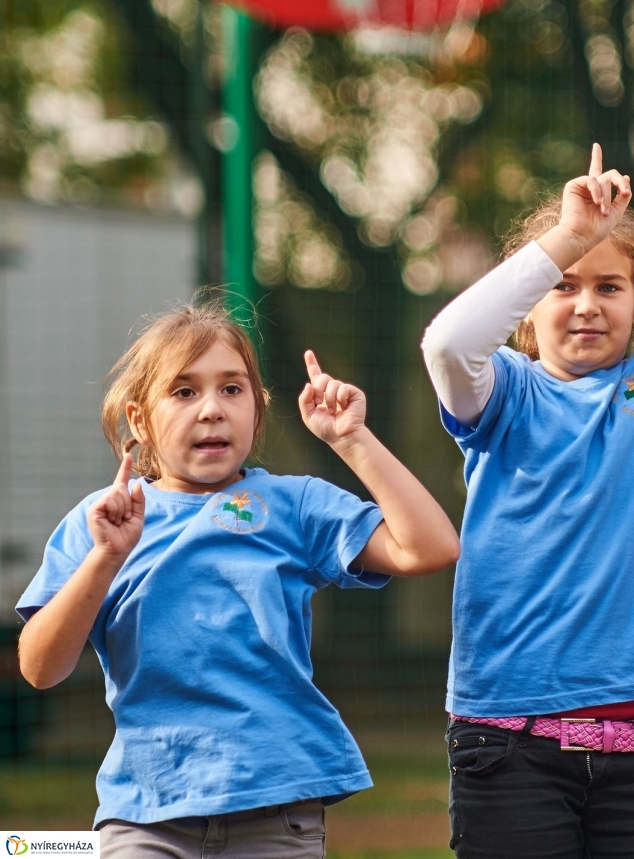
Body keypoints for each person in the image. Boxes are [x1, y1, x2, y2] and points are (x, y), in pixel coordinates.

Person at [420, 27, 634, 859]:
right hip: (509, 747)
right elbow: (446, 344)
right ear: (531, 307)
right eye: (563, 288)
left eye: (609, 286)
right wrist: (568, 240)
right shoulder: (500, 391)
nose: (584, 302)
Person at [17, 300, 460, 857]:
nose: (212, 409)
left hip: (277, 810)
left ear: (257, 407)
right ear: (139, 420)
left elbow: (431, 548)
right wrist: (104, 559)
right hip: (145, 816)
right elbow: (39, 669)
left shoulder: (295, 504)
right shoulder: (103, 522)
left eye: (232, 389)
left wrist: (352, 440)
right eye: (184, 391)